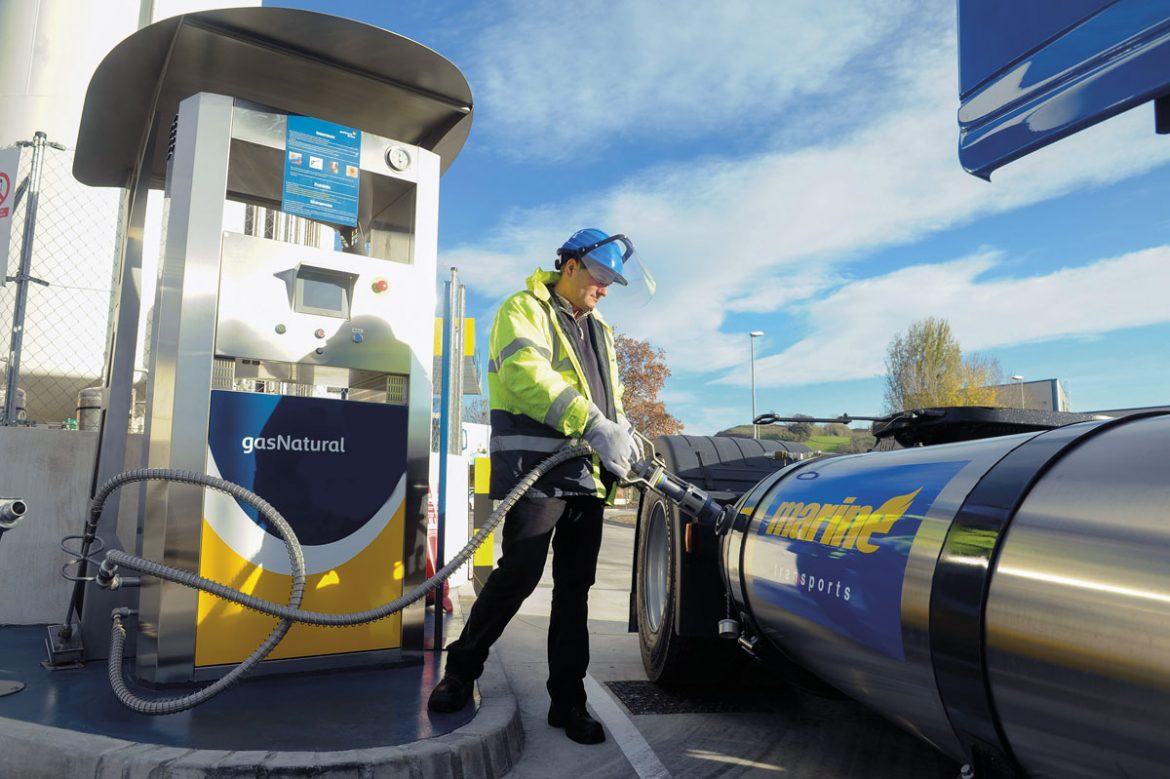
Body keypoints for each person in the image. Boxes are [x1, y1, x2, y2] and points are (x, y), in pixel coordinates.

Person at [427, 228, 643, 745]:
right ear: (570, 266)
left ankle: (568, 702)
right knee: (520, 573)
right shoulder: (523, 309)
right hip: (537, 472)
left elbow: (605, 397)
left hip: (587, 477)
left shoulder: (601, 330)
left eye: (612, 281)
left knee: (575, 591)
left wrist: (620, 429)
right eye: (600, 276)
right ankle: (462, 671)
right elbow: (526, 375)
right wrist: (593, 423)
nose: (605, 288)